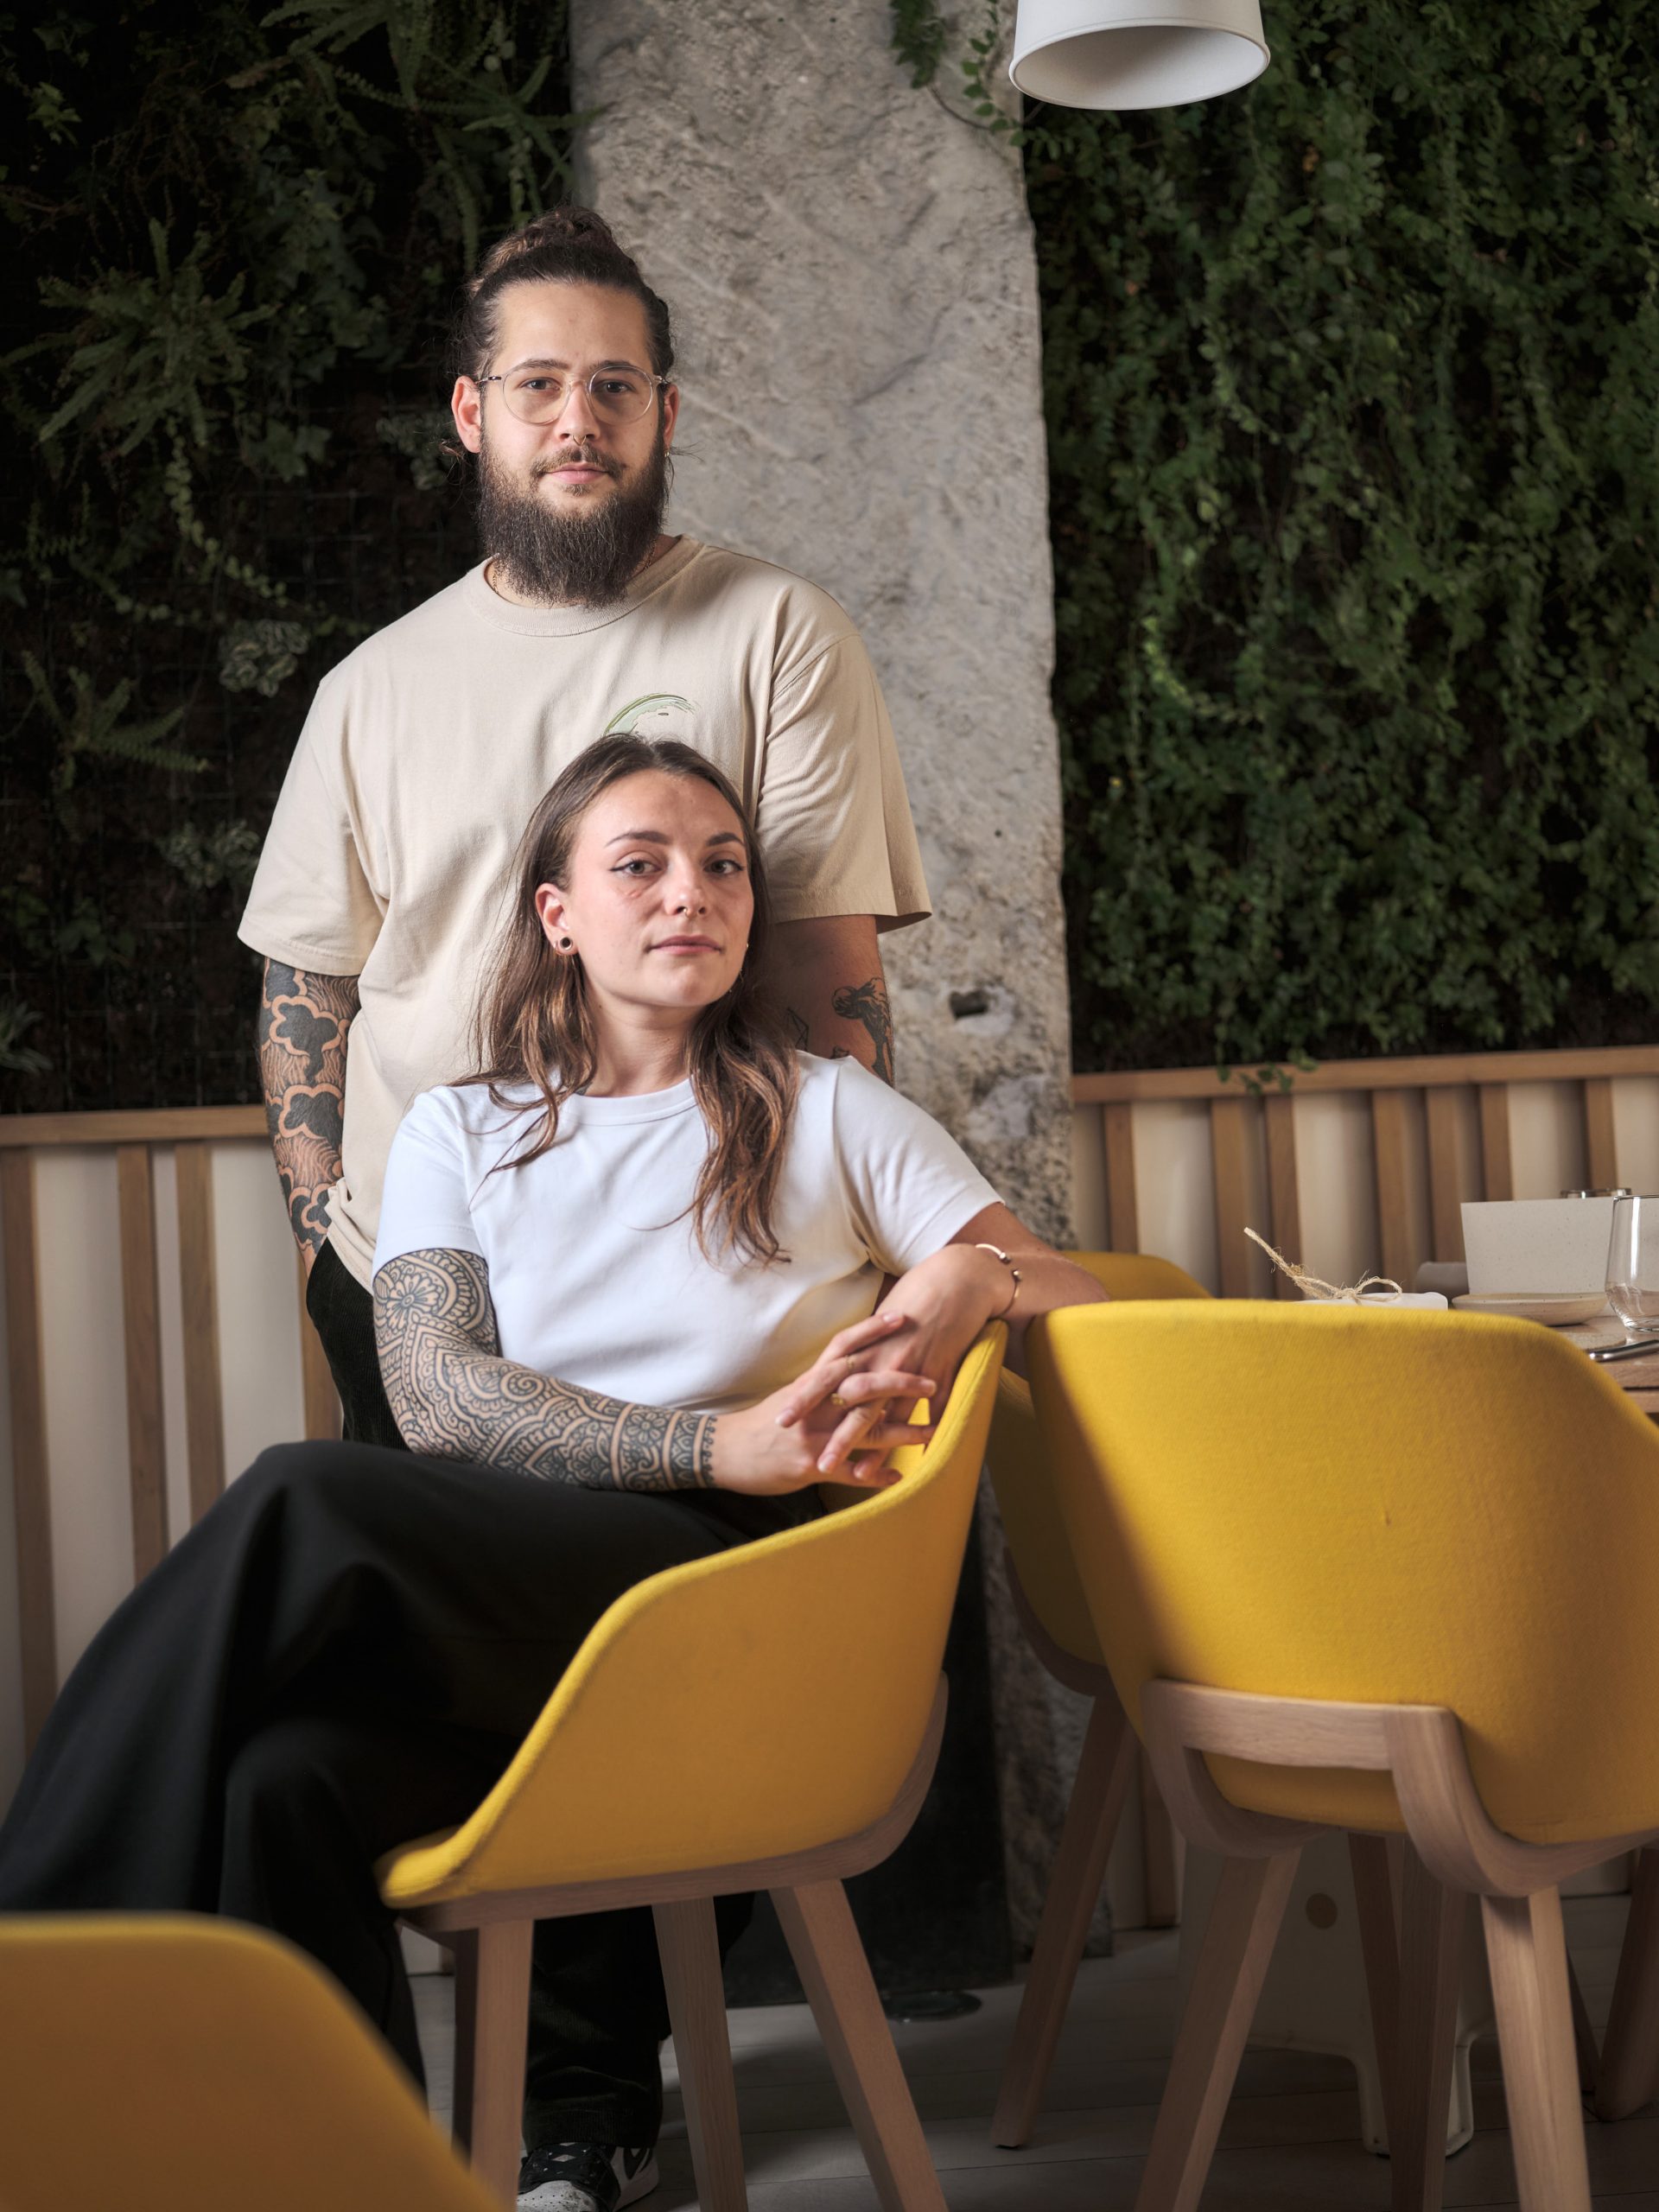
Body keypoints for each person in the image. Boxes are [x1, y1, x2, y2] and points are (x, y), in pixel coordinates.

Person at [0, 741, 1102, 2212]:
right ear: (557, 914)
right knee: (284, 1780)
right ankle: (330, 2169)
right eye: (639, 863)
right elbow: (438, 1396)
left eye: (721, 864)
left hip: (744, 1590)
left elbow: (1084, 1300)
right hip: (549, 1583)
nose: (692, 893)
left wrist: (973, 1277)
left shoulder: (827, 1110)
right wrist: (724, 1434)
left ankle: (31, 1991)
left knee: (299, 1494)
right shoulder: (465, 1124)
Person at [240, 205, 931, 1455]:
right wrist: (328, 1244)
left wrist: (858, 1236)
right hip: (413, 1281)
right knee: (427, 1639)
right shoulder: (370, 687)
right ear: (471, 414)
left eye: (616, 386)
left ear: (667, 415)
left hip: (703, 1271)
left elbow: (833, 976)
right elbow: (307, 985)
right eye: (539, 385)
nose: (578, 420)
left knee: (716, 1637)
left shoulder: (779, 634)